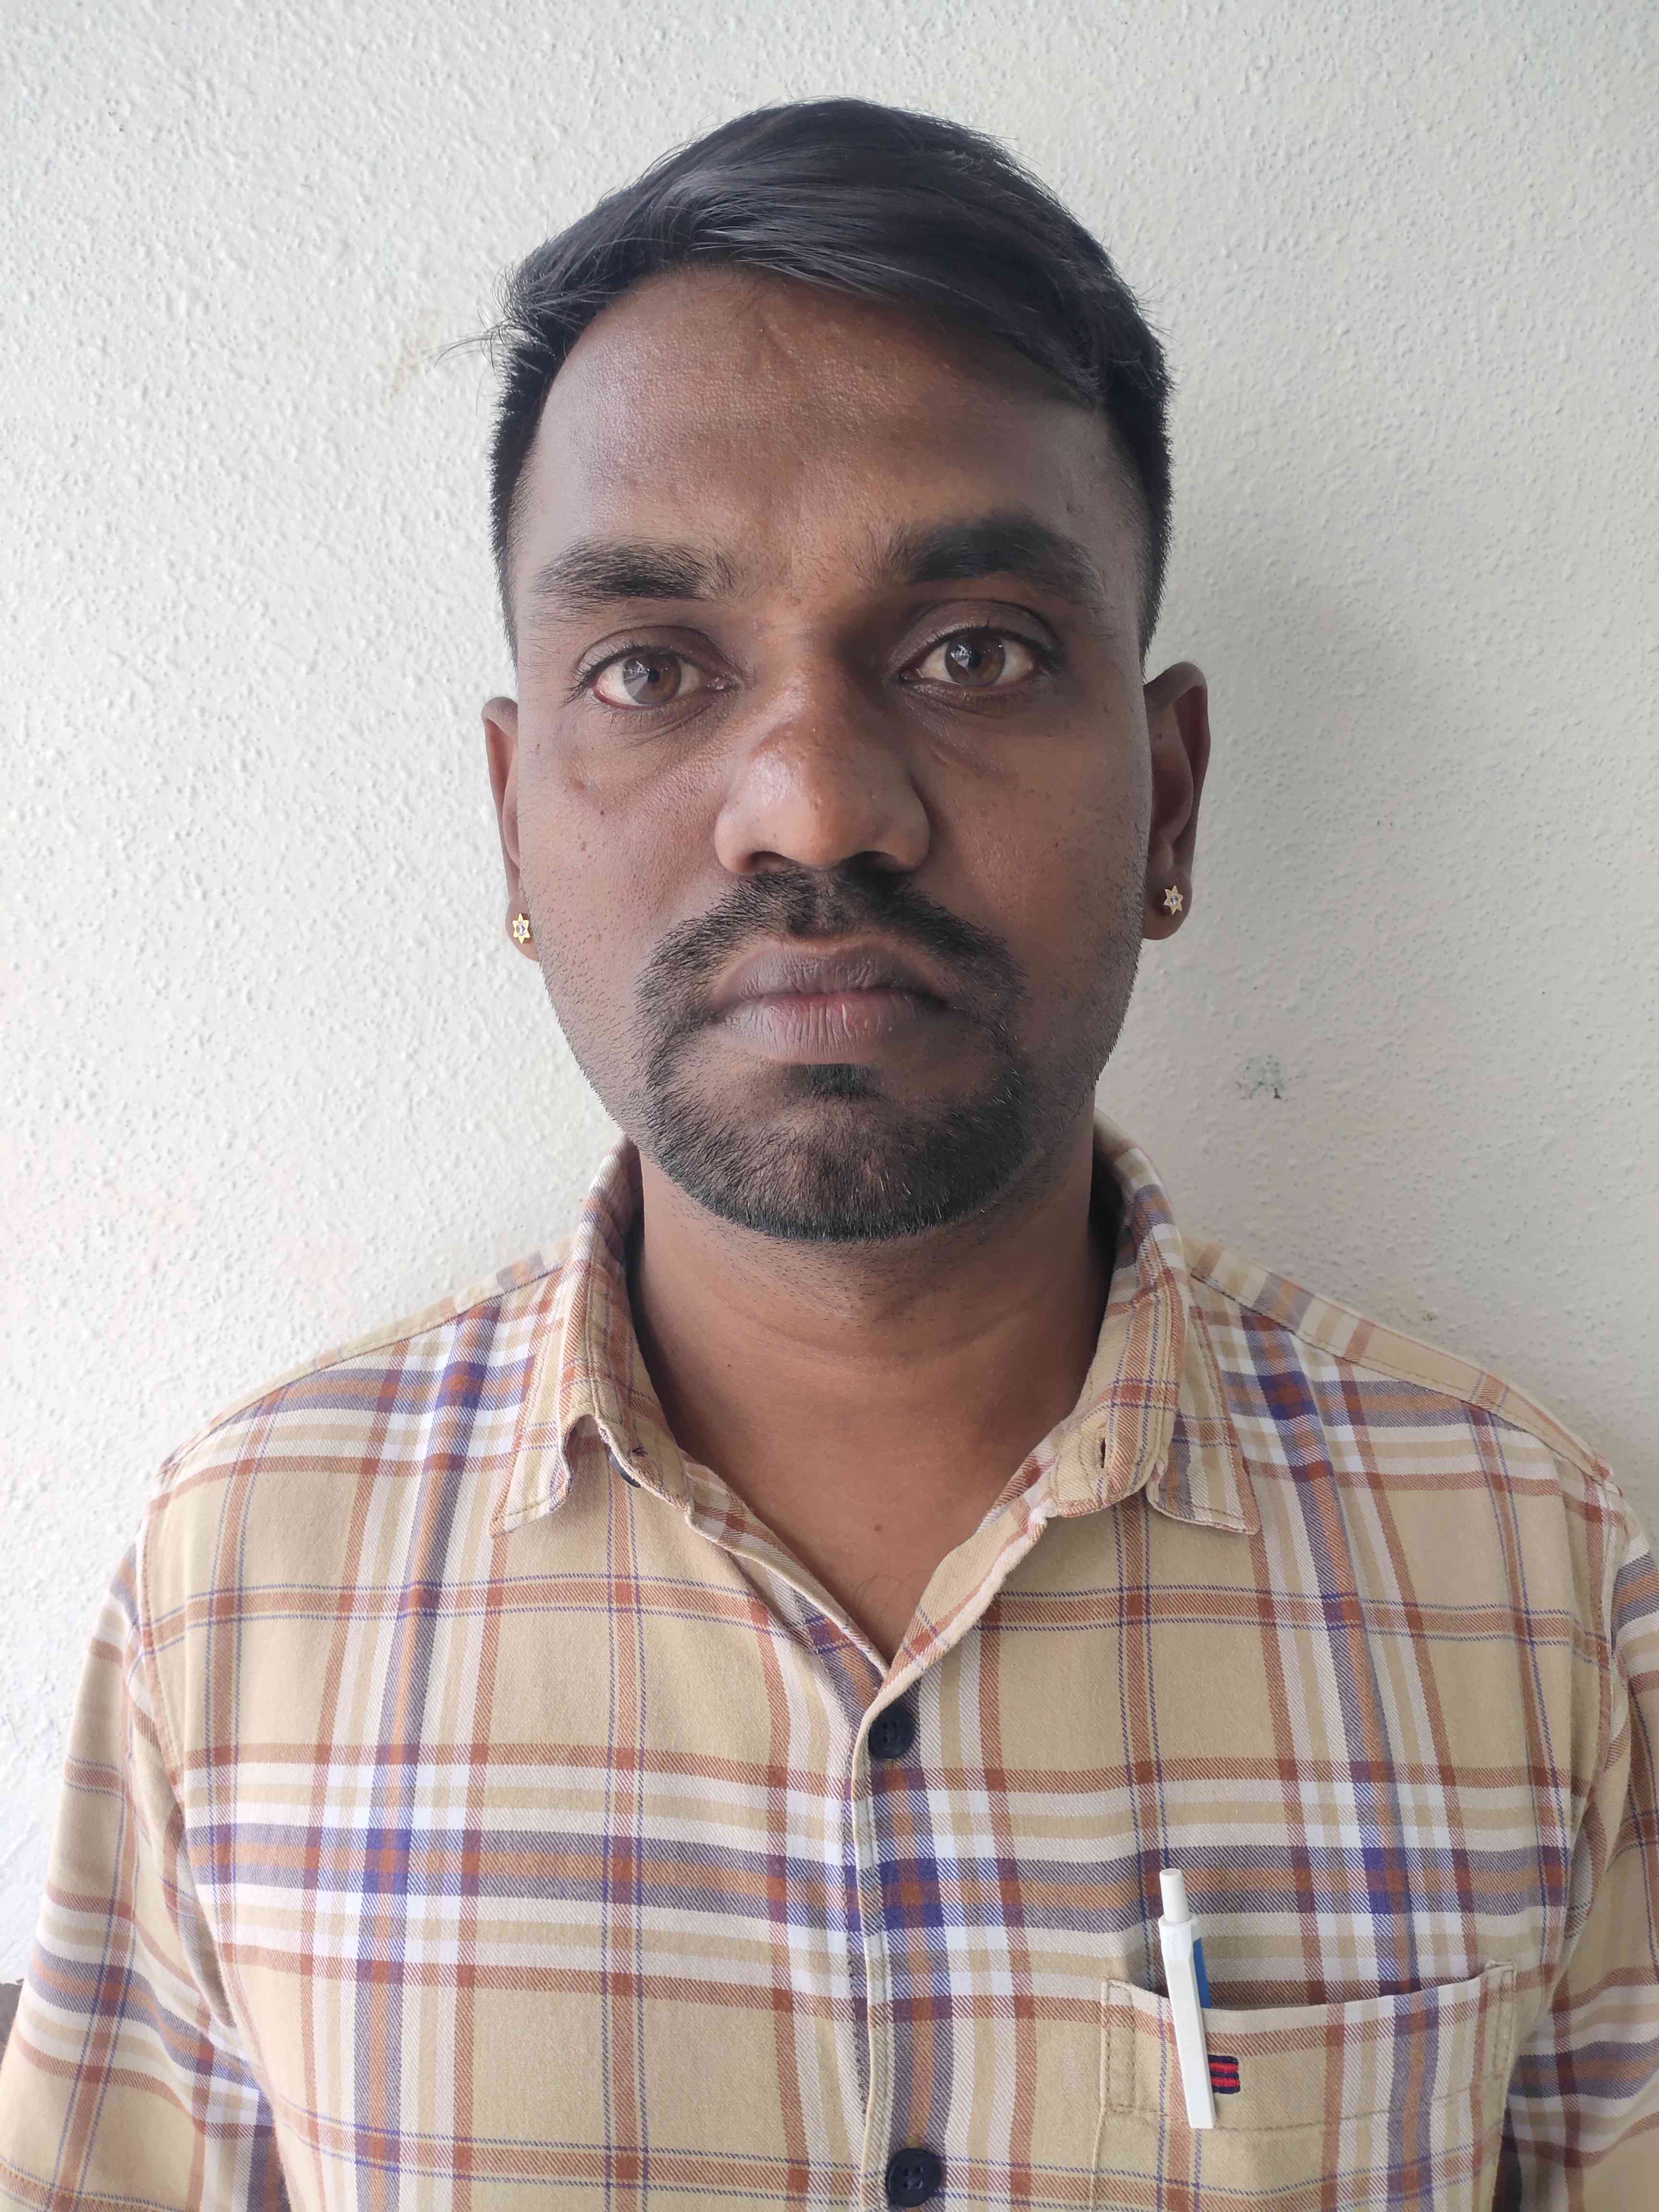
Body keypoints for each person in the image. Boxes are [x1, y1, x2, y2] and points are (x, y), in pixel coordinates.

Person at [0, 95, 1651, 2212]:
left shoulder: (1527, 1580)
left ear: (1169, 797)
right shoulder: (240, 1592)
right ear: (513, 821)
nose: (811, 804)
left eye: (974, 653)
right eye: (651, 668)